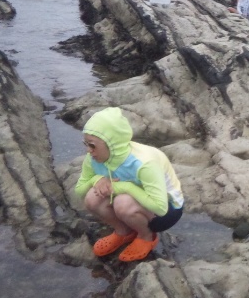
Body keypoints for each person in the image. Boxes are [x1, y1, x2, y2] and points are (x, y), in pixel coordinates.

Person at [75, 107, 184, 262]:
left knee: (122, 202)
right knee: (92, 198)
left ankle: (146, 236)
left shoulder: (144, 163)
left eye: (92, 145)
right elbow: (80, 191)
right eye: (85, 144)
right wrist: (97, 180)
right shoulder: (92, 159)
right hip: (139, 202)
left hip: (167, 210)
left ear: (111, 143)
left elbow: (160, 207)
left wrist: (124, 187)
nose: (88, 150)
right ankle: (123, 231)